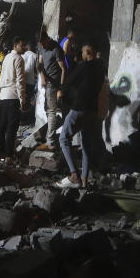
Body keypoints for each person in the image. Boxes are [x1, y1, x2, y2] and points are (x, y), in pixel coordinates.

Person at [57, 43, 107, 188]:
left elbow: (69, 82)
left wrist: (61, 91)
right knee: (86, 145)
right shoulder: (100, 69)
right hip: (92, 110)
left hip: (79, 108)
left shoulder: (84, 66)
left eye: (82, 52)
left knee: (63, 138)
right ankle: (84, 180)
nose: (81, 55)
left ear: (87, 52)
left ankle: (74, 175)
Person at [0, 37, 27, 161]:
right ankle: (9, 154)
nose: (24, 47)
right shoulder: (19, 59)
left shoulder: (7, 57)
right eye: (21, 45)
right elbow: (20, 81)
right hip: (13, 96)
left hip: (4, 95)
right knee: (12, 127)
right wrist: (22, 99)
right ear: (15, 45)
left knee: (2, 125)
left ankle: (0, 151)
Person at [37, 32, 67, 150]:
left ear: (47, 39)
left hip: (54, 84)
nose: (42, 46)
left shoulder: (56, 49)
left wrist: (61, 87)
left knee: (51, 111)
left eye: (43, 43)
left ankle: (51, 141)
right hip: (47, 83)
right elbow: (40, 65)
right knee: (49, 110)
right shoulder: (41, 47)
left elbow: (63, 69)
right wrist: (43, 78)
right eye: (40, 44)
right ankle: (51, 135)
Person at [22, 41, 39, 115]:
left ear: (27, 47)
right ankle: (26, 115)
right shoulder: (35, 55)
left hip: (22, 80)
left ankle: (22, 116)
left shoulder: (22, 55)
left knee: (22, 98)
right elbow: (36, 70)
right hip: (31, 81)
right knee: (28, 99)